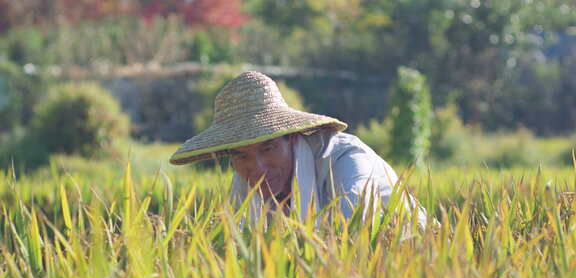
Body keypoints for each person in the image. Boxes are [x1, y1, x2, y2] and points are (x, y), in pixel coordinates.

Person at [170, 71, 427, 228]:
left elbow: (348, 239)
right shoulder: (244, 183)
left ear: (291, 138)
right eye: (242, 155)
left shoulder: (347, 161)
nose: (257, 168)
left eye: (268, 148)